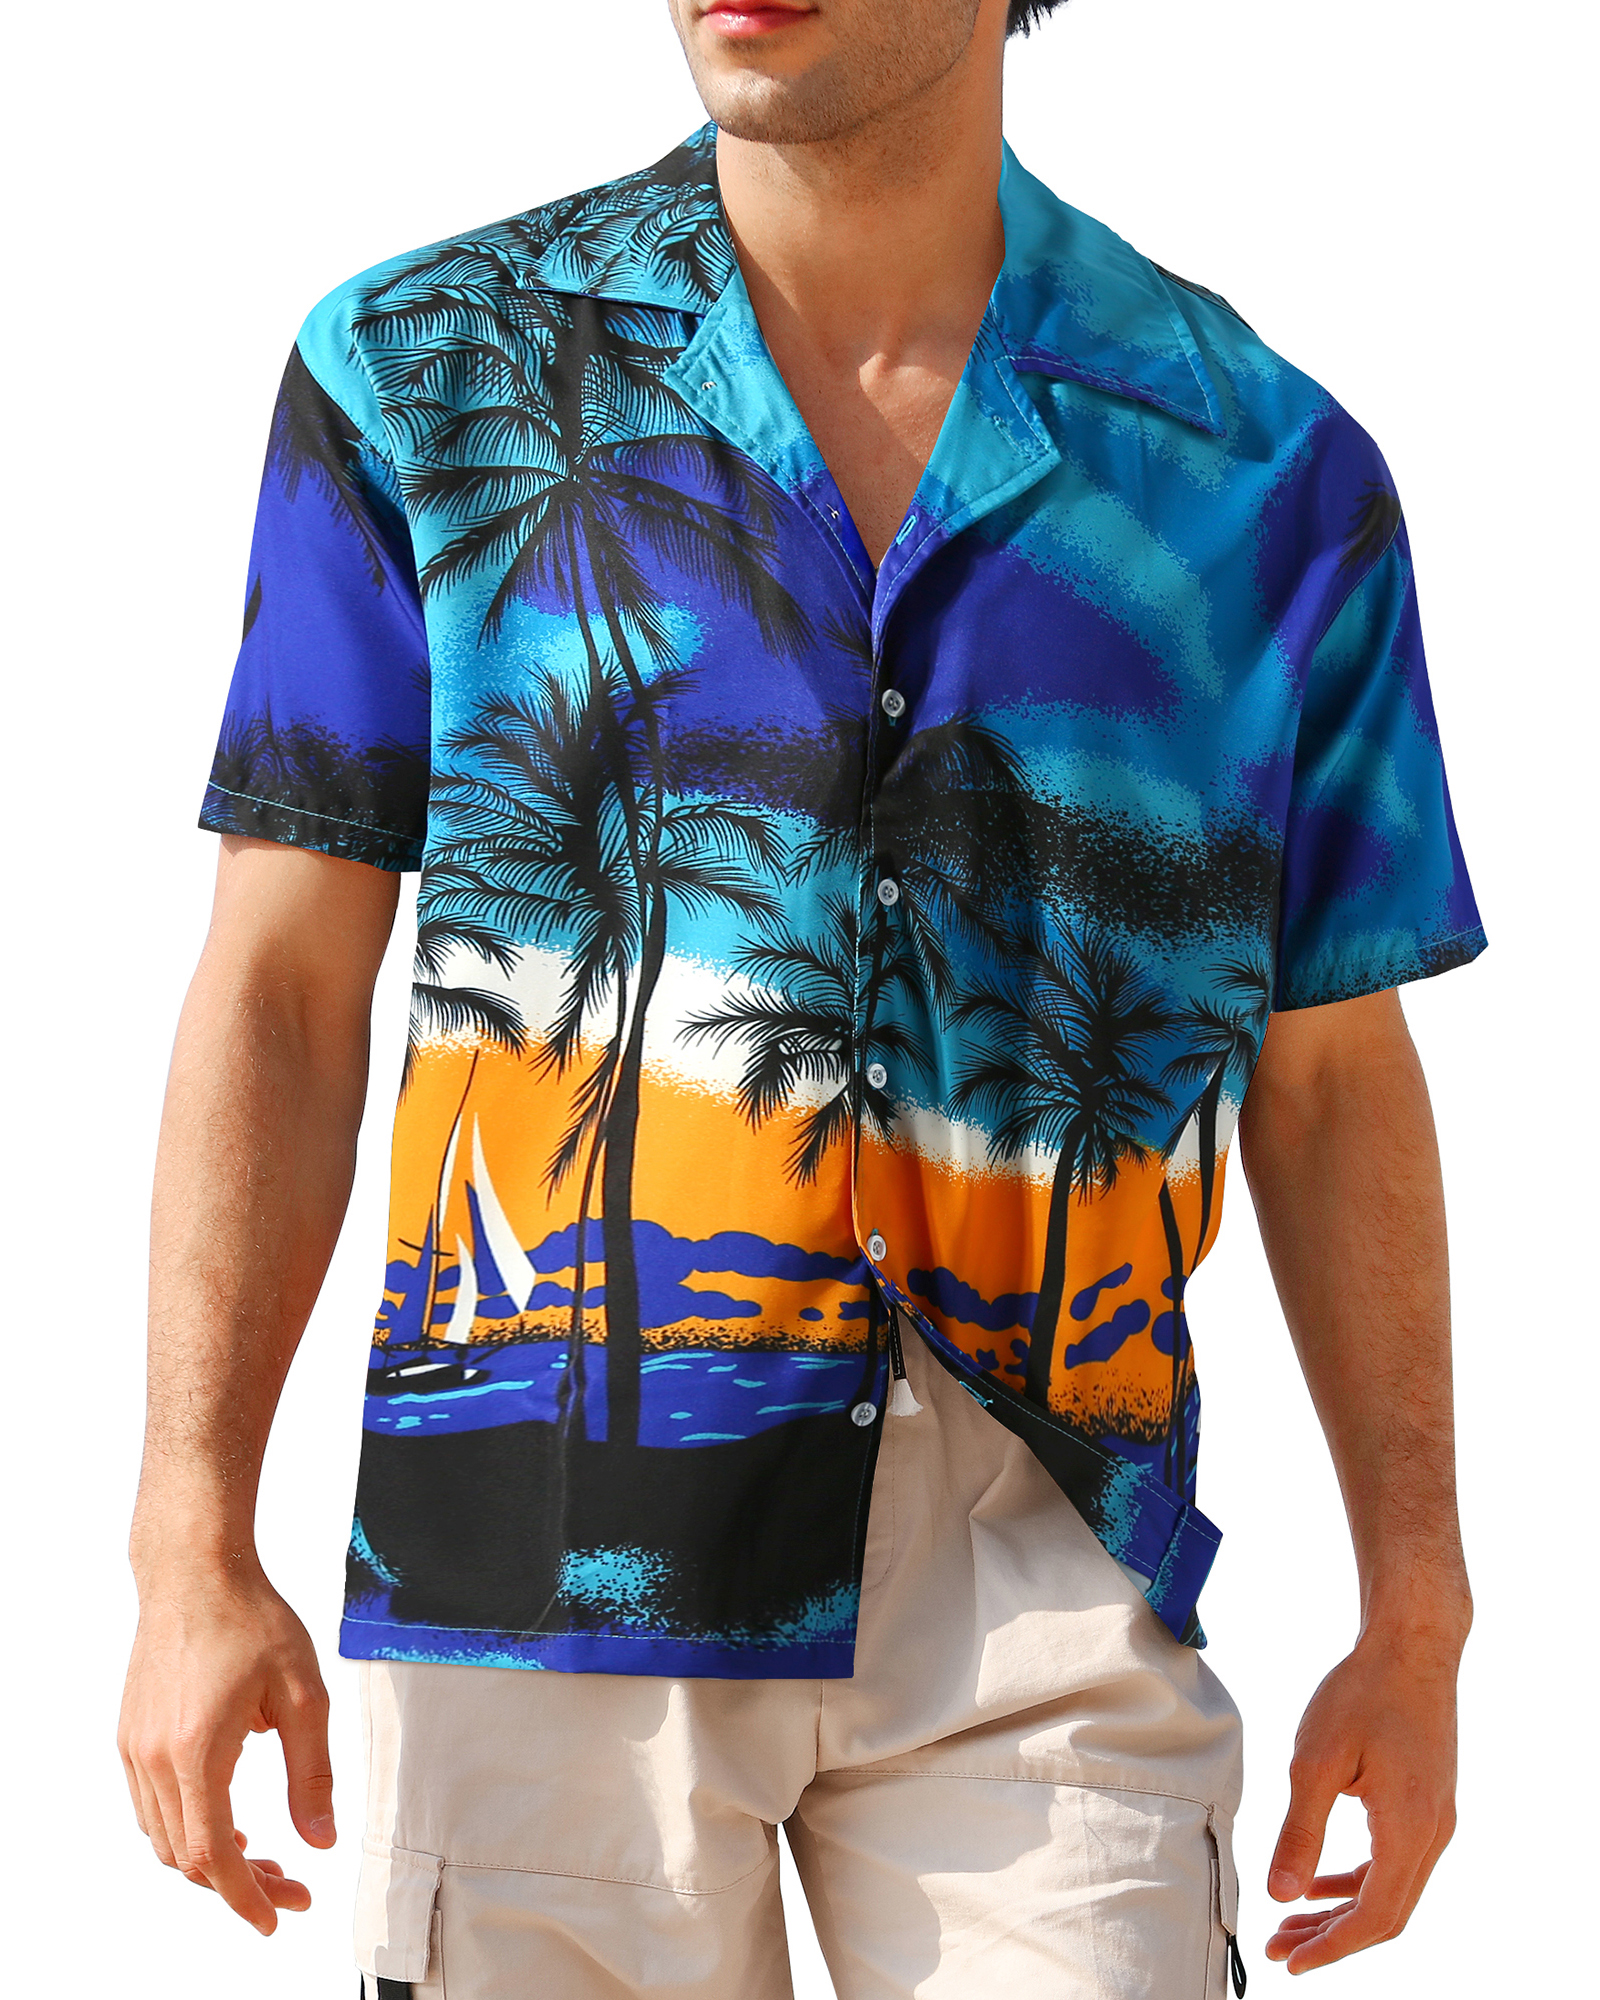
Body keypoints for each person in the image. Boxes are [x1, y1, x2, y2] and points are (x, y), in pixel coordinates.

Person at [118, 0, 1486, 1992]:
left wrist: (1417, 1612)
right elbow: (281, 987)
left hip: (1049, 1562)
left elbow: (1333, 1068)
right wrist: (187, 1536)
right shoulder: (424, 372)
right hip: (540, 1553)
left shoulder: (1260, 471)